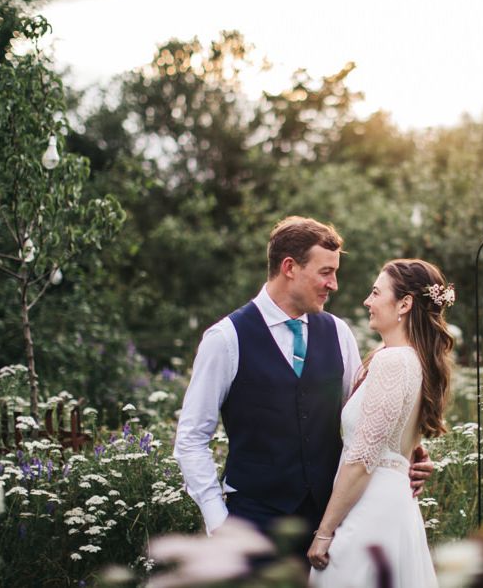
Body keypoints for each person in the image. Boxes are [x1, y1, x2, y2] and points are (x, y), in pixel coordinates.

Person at [173, 217, 435, 545]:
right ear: (289, 267)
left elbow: (364, 418)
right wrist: (218, 521)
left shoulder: (339, 333)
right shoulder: (226, 339)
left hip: (328, 526)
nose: (334, 284)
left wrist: (409, 455)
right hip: (253, 525)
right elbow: (191, 438)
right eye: (326, 272)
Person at [308, 258, 454, 587]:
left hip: (369, 511)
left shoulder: (393, 361)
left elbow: (362, 459)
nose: (367, 301)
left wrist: (325, 531)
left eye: (376, 293)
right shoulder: (408, 359)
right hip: (392, 504)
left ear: (404, 303)